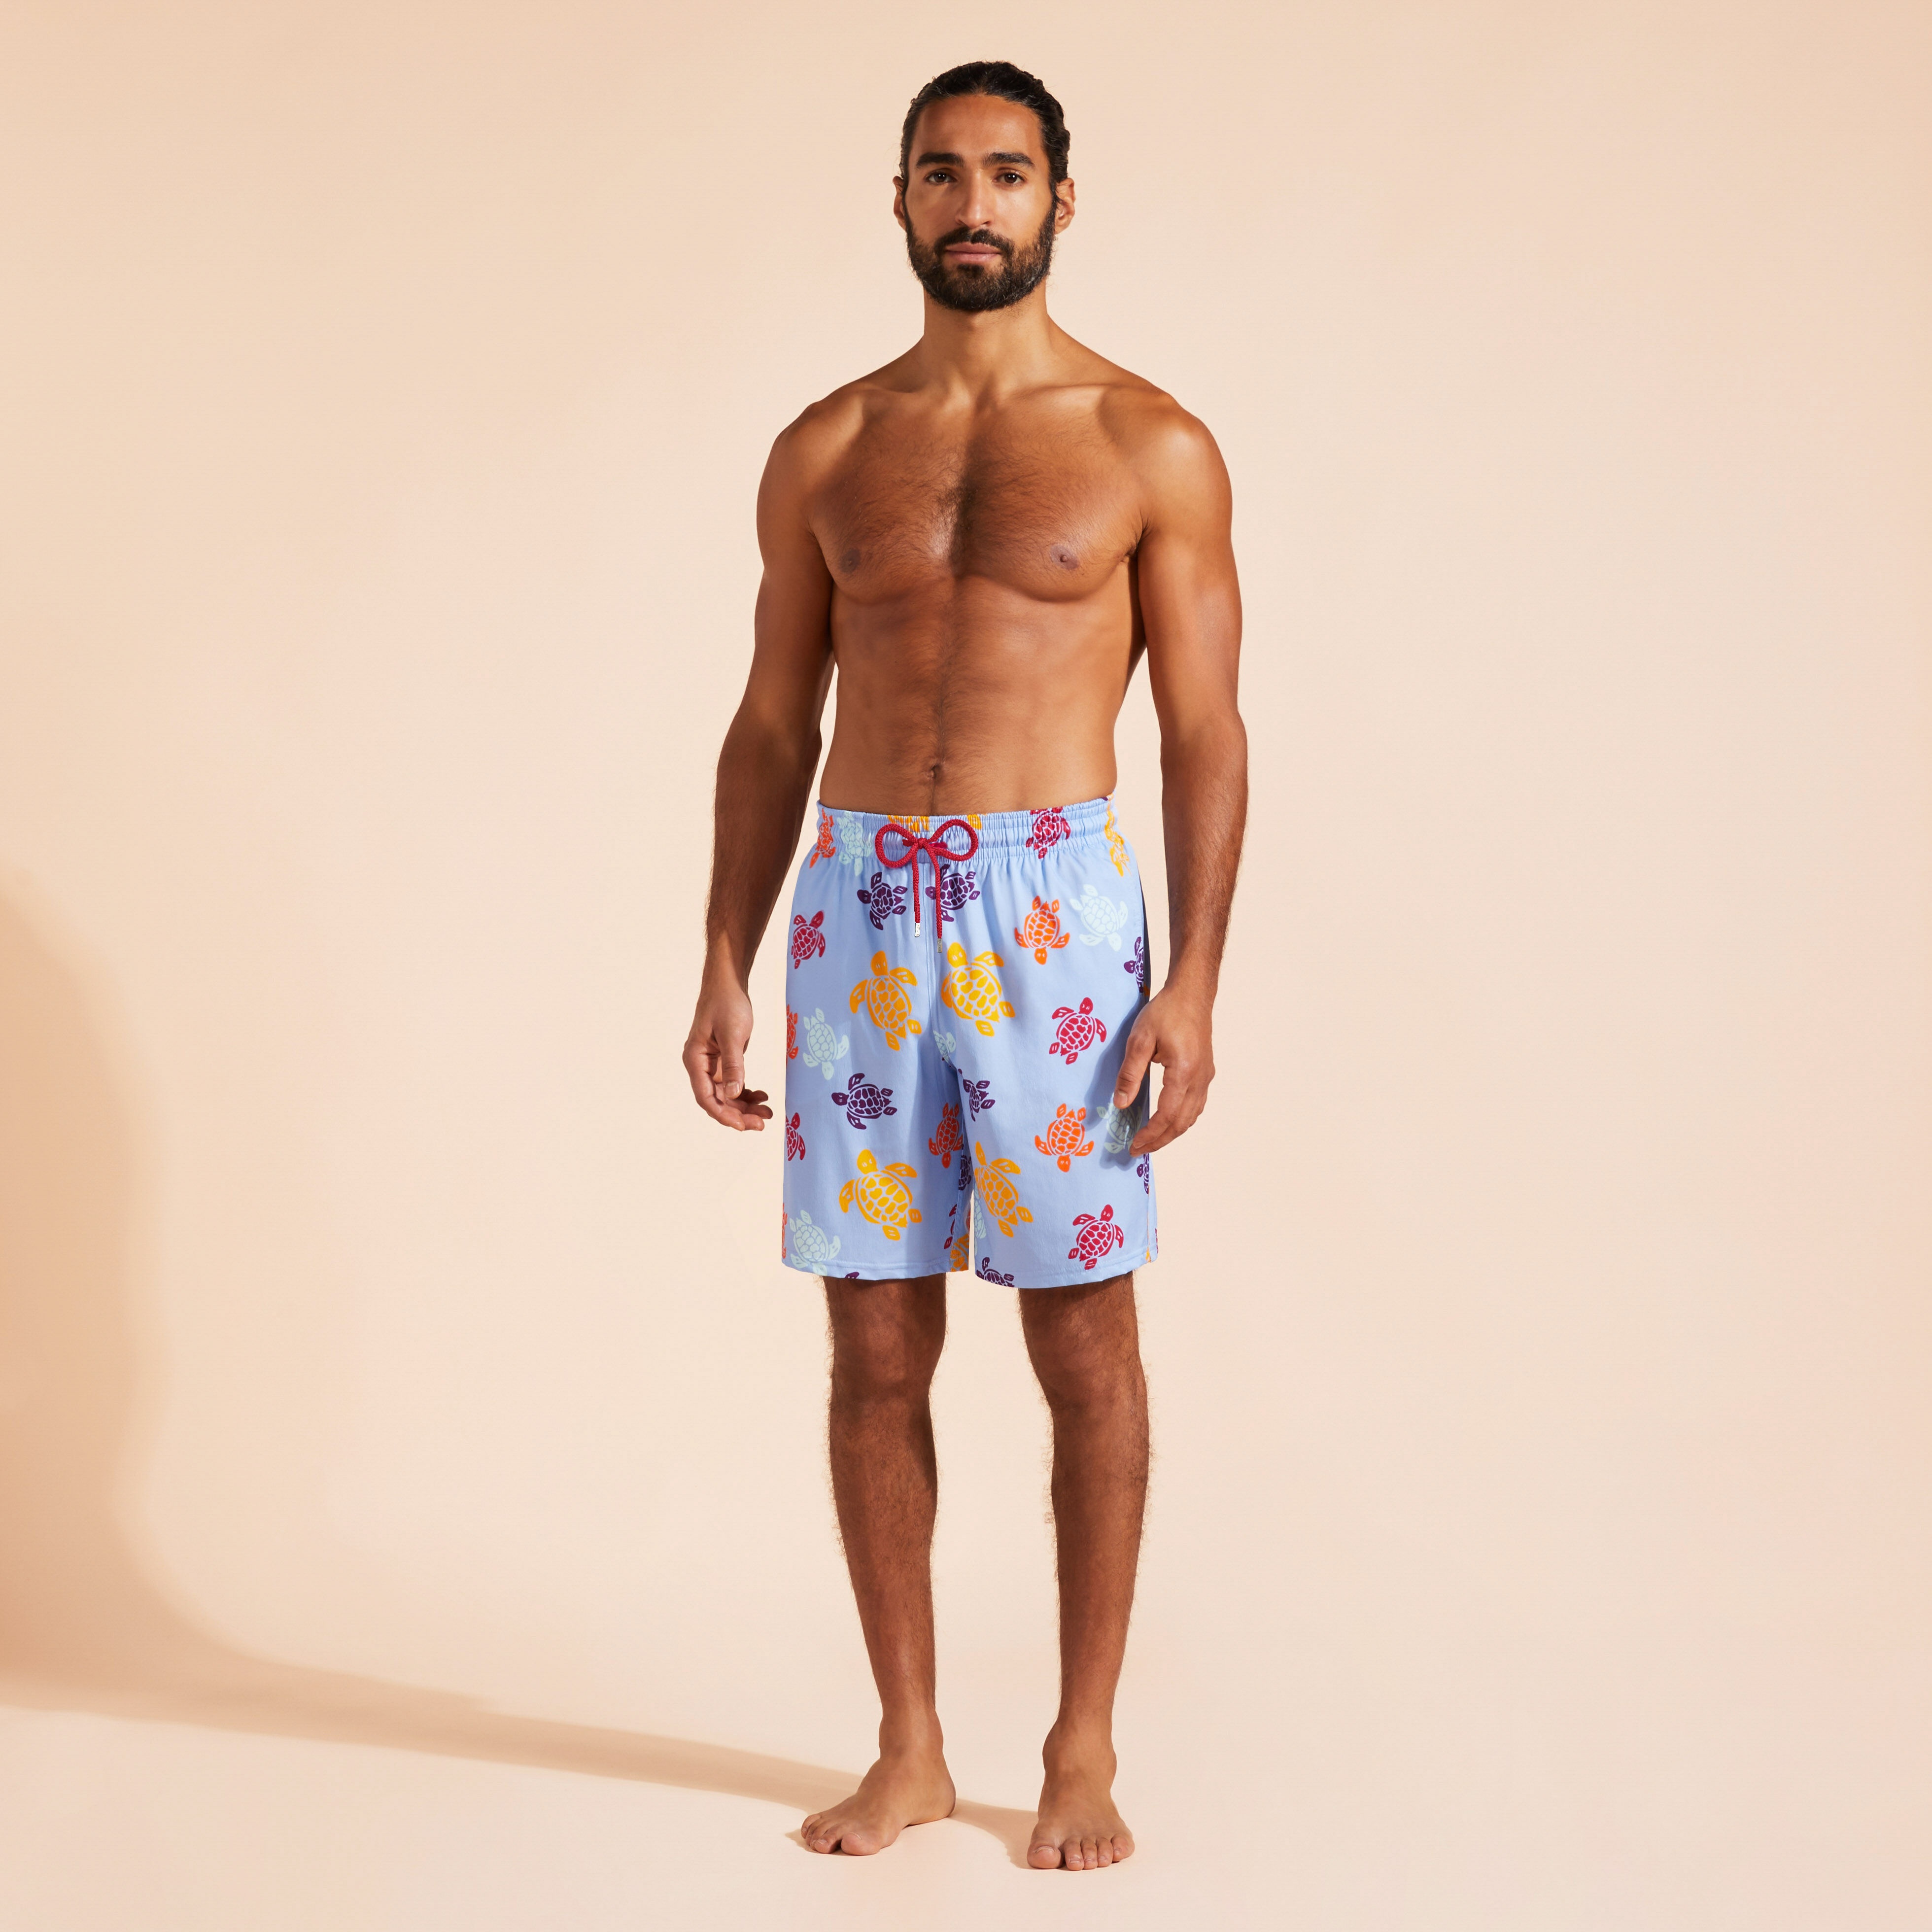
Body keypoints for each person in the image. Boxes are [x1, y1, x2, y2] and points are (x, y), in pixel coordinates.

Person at [682, 59, 1246, 1873]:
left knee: (1083, 1335)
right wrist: (723, 952)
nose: (975, 204)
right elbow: (772, 722)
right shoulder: (829, 448)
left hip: (1052, 917)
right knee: (872, 1338)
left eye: (1008, 174)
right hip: (858, 913)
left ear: (1061, 200)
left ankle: (1081, 1747)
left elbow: (1207, 733)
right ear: (903, 199)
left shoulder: (1150, 442)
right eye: (944, 173)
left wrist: (1194, 980)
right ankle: (910, 1746)